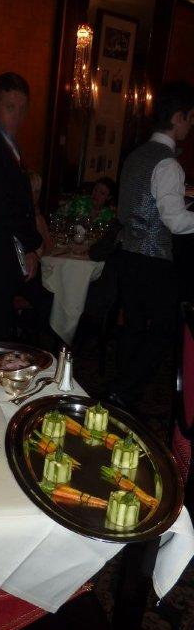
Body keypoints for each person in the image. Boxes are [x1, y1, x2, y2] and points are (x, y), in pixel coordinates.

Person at [106, 81, 194, 409]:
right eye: (190, 118)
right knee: (164, 331)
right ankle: (123, 390)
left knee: (134, 328)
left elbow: (130, 208)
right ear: (178, 117)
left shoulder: (135, 156)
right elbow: (176, 220)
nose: (191, 126)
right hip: (154, 260)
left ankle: (123, 396)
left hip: (127, 255)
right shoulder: (168, 164)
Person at [0, 72, 53, 343]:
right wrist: (31, 246)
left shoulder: (4, 143)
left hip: (2, 251)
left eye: (22, 108)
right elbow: (1, 207)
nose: (18, 116)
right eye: (10, 107)